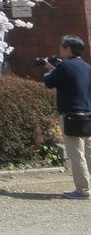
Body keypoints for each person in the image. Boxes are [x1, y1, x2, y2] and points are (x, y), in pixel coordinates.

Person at [43, 34, 91, 199]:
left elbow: (49, 82)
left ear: (68, 49)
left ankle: (83, 190)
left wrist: (50, 68)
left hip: (70, 115)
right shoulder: (86, 67)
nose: (60, 50)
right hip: (88, 114)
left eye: (61, 47)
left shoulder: (64, 67)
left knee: (77, 154)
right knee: (89, 153)